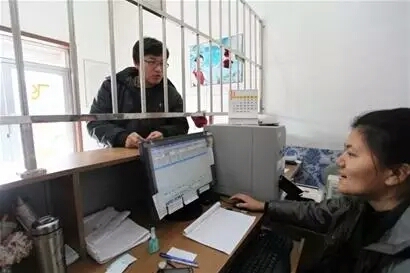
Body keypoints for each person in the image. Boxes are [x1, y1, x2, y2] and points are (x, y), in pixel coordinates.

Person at [231, 108, 410, 273]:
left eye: (352, 154)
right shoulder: (361, 204)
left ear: (396, 174)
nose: (339, 161)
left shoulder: (402, 257)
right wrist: (265, 206)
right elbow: (319, 213)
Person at [87, 37, 189, 148]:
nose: (159, 69)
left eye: (163, 63)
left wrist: (164, 133)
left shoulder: (170, 93)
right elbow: (94, 123)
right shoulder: (113, 87)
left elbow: (181, 125)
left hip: (158, 155)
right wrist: (122, 137)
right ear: (136, 62)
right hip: (120, 157)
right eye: (152, 62)